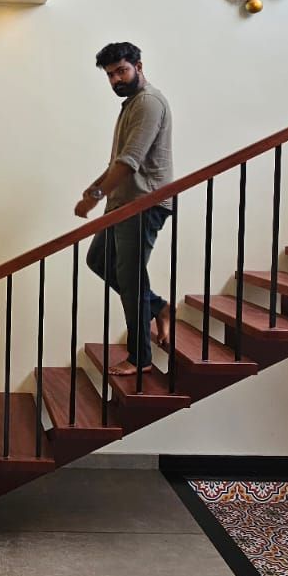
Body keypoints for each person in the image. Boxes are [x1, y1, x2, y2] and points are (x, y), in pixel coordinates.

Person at [75, 42, 174, 376]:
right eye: (110, 74)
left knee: (130, 280)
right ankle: (159, 307)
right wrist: (95, 190)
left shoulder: (148, 103)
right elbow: (119, 160)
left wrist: (96, 194)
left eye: (121, 71)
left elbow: (130, 163)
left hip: (144, 203)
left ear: (139, 66)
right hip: (124, 203)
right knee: (98, 259)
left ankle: (140, 359)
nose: (116, 79)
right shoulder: (132, 104)